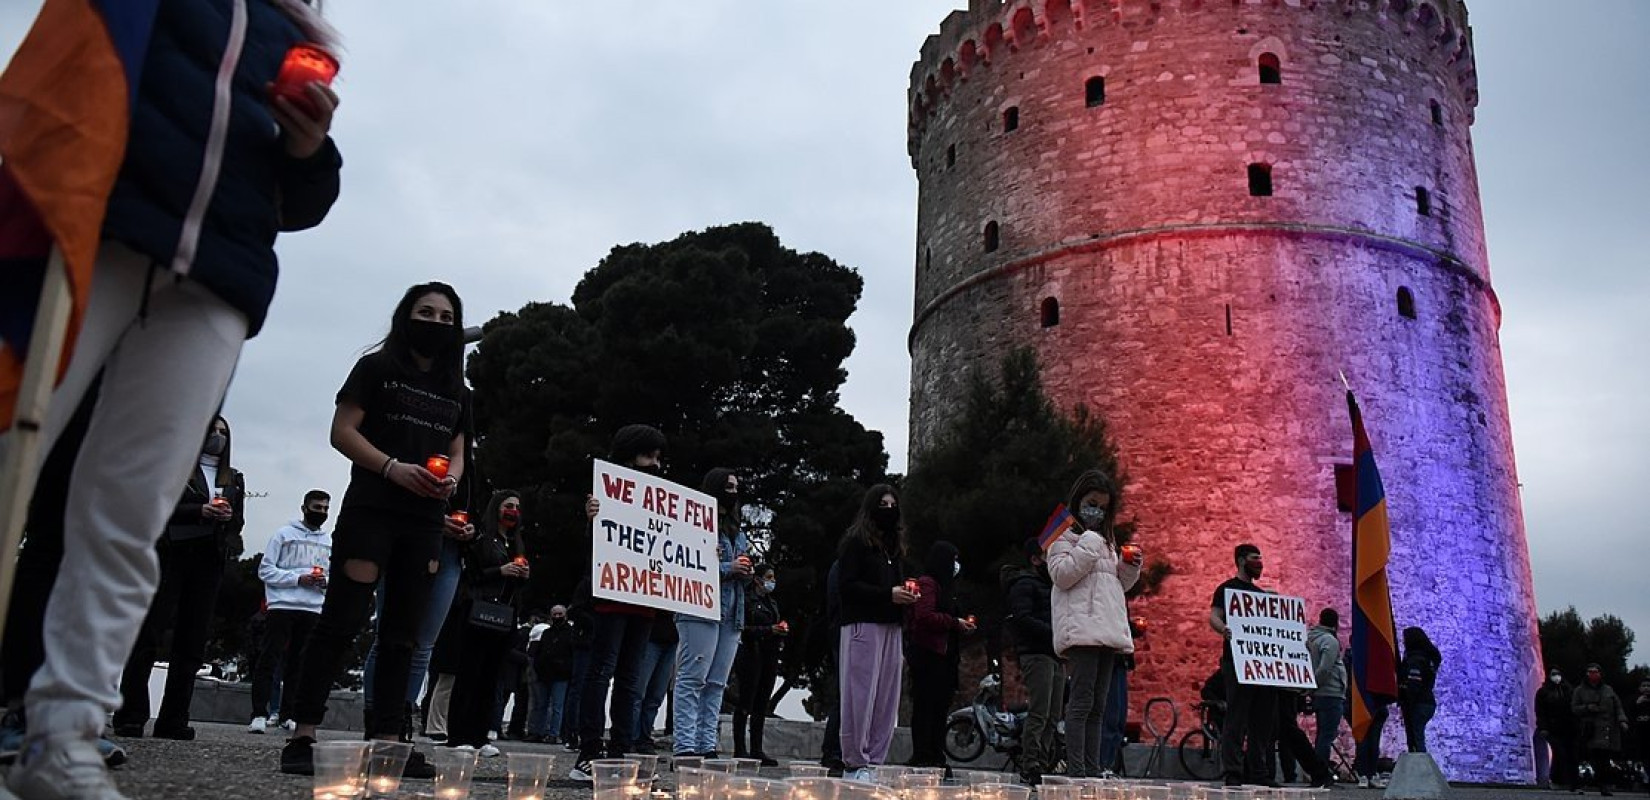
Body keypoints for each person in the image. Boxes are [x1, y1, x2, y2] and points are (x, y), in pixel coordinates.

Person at [0, 1, 341, 792]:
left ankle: (66, 731)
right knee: (15, 451)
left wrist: (310, 147)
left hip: (218, 276)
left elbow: (309, 201)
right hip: (98, 225)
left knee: (131, 510)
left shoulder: (294, 36)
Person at [279, 283, 472, 780]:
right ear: (405, 316)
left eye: (447, 317)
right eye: (426, 312)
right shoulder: (376, 368)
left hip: (426, 519)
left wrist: (450, 477)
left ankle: (388, 740)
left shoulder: (457, 389)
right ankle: (303, 732)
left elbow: (458, 450)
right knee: (340, 622)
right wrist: (390, 468)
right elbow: (342, 431)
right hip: (373, 507)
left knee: (403, 635)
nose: (436, 322)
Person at [110, 416, 245, 740]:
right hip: (172, 553)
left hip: (209, 559)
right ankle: (130, 715)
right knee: (150, 634)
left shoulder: (234, 478)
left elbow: (238, 522)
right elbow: (157, 507)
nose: (217, 437)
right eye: (211, 430)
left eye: (223, 433)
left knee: (192, 641)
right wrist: (198, 511)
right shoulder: (176, 468)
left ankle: (174, 719)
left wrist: (227, 519)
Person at [571, 425, 670, 779]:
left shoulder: (662, 501)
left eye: (658, 458)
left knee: (630, 681)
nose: (655, 464)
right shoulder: (603, 497)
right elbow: (594, 552)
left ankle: (621, 751)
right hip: (610, 602)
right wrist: (591, 521)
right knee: (601, 674)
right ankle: (589, 751)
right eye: (648, 456)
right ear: (628, 457)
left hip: (644, 605)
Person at [1048, 470, 1140, 779]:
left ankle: (1091, 767)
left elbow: (1114, 585)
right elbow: (1062, 575)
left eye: (1102, 507)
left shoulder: (1106, 541)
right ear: (1078, 500)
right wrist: (1088, 540)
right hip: (1082, 628)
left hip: (1106, 629)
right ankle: (1077, 769)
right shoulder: (1064, 535)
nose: (1096, 512)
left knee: (1099, 707)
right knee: (1081, 703)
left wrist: (1129, 568)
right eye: (1091, 504)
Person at [836, 484, 919, 782]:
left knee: (886, 696)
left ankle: (873, 760)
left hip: (891, 626)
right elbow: (846, 586)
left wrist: (905, 597)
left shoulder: (892, 549)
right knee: (861, 694)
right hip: (863, 625)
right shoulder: (856, 543)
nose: (888, 509)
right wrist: (888, 594)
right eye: (882, 504)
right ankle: (855, 762)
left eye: (892, 504)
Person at [671, 469, 751, 763]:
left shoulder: (737, 531)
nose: (733, 491)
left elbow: (737, 567)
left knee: (717, 682)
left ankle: (707, 744)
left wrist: (745, 571)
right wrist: (729, 568)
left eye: (736, 487)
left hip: (732, 614)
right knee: (693, 677)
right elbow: (687, 566)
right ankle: (685, 745)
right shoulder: (694, 526)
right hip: (699, 609)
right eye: (728, 486)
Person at [443, 490, 529, 756]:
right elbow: (472, 573)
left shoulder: (515, 543)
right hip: (477, 613)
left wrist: (522, 574)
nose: (513, 510)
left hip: (504, 616)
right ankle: (459, 735)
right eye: (508, 505)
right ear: (497, 509)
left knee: (491, 678)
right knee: (470, 674)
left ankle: (480, 736)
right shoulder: (482, 538)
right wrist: (499, 571)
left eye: (517, 506)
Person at [248, 490, 333, 734]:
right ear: (304, 507)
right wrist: (298, 579)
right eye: (317, 507)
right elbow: (265, 570)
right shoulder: (283, 535)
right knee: (269, 658)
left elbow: (332, 574)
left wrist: (323, 582)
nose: (322, 513)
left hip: (313, 608)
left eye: (326, 509)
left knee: (299, 664)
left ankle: (288, 715)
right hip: (282, 605)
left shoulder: (328, 541)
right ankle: (259, 714)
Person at [1208, 543, 1278, 788]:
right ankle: (1234, 772)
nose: (1258, 562)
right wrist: (1224, 629)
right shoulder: (1226, 589)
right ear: (1240, 560)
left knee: (1262, 720)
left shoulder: (1261, 594)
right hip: (1235, 662)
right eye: (1253, 558)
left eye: (1260, 558)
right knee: (1236, 718)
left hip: (1262, 665)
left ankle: (1258, 773)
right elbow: (1214, 616)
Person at [904, 542, 975, 770]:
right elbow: (924, 617)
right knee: (925, 706)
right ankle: (923, 753)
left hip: (945, 658)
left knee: (939, 708)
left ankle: (936, 753)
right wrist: (954, 623)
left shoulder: (948, 589)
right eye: (953, 559)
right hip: (928, 656)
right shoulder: (927, 584)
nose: (956, 565)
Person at [1003, 538, 1058, 784]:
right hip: (1036, 653)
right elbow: (1022, 618)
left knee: (1053, 714)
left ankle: (1044, 761)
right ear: (1036, 559)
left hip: (1054, 653)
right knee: (1040, 711)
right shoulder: (1025, 585)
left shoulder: (1051, 586)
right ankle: (1031, 763)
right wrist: (1052, 631)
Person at [733, 564, 786, 766]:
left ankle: (756, 749)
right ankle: (740, 748)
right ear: (758, 579)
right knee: (745, 701)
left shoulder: (771, 602)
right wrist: (768, 630)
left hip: (769, 656)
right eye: (769, 577)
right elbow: (743, 628)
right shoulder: (747, 600)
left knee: (761, 703)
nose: (772, 581)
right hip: (750, 653)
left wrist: (779, 631)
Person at [1572, 663, 1629, 796]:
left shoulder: (1608, 690)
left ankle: (1604, 785)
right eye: (1590, 672)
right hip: (1590, 729)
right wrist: (1587, 708)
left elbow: (1618, 706)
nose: (1593, 674)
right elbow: (1574, 708)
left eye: (1595, 672)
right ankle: (1587, 784)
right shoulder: (1579, 690)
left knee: (1604, 759)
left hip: (1607, 730)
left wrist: (1622, 720)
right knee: (1591, 758)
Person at [630, 610, 677, 754]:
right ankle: (632, 737)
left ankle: (643, 736)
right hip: (651, 634)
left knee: (656, 695)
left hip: (672, 637)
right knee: (639, 692)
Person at [527, 605, 576, 744]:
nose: (557, 617)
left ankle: (553, 733)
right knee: (542, 704)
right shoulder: (547, 633)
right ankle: (538, 732)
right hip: (545, 673)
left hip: (561, 675)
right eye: (554, 614)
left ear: (565, 615)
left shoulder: (570, 633)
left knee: (556, 706)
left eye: (559, 614)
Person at [1306, 608, 1346, 770]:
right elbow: (1325, 668)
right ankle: (1321, 771)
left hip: (1320, 694)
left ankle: (1317, 769)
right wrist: (1314, 684)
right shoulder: (1329, 640)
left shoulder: (1311, 638)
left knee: (1322, 734)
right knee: (1326, 736)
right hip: (1331, 692)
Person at [1397, 626, 1441, 753]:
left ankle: (1420, 768)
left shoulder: (1416, 660)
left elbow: (1414, 684)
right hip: (1427, 701)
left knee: (1416, 740)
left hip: (1418, 703)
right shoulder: (1428, 659)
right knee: (1417, 737)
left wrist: (1406, 699)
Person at [1534, 668, 1576, 790]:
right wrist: (1543, 727)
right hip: (1551, 727)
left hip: (1565, 727)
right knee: (1558, 752)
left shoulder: (1567, 690)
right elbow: (1540, 711)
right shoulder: (1543, 692)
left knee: (1568, 753)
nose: (1556, 677)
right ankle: (1555, 779)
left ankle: (1566, 780)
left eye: (1558, 674)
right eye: (1553, 674)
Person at [1631, 679, 1650, 794]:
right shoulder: (1634, 700)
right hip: (1640, 736)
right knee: (1645, 760)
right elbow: (1629, 716)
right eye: (1644, 685)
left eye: (1649, 685)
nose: (1647, 688)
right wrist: (1637, 704)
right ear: (1640, 688)